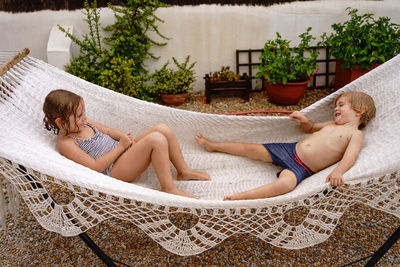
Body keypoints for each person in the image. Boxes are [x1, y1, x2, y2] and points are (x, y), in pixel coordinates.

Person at [195, 91, 376, 200]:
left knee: (286, 185)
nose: (336, 109)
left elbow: (350, 156)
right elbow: (310, 128)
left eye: (341, 105)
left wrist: (339, 172)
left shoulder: (355, 134)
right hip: (290, 150)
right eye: (336, 106)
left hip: (302, 168)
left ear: (359, 111)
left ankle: (242, 196)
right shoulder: (331, 124)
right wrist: (304, 120)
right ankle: (214, 145)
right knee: (250, 149)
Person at [43, 89, 210, 199]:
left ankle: (184, 171)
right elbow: (94, 167)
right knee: (156, 139)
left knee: (162, 128)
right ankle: (168, 188)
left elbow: (108, 131)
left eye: (83, 113)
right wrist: (120, 147)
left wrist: (122, 138)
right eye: (78, 116)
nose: (84, 118)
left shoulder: (84, 123)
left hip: (123, 152)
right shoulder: (67, 143)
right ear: (60, 122)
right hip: (114, 170)